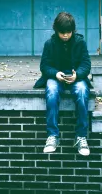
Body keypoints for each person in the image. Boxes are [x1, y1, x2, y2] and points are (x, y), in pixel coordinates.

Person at [34, 12, 92, 156]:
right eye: (62, 32)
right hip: (56, 76)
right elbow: (44, 66)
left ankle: (81, 136)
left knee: (82, 92)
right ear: (56, 30)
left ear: (73, 30)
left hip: (76, 77)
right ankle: (52, 136)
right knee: (52, 91)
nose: (65, 35)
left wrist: (77, 75)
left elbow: (86, 64)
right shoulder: (49, 44)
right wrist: (55, 74)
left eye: (68, 32)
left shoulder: (80, 42)